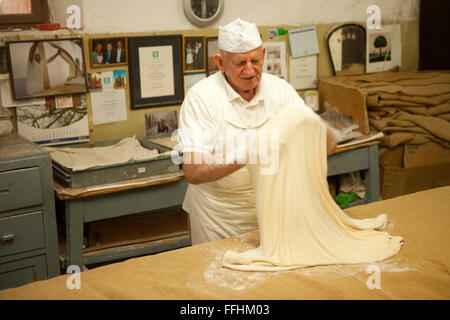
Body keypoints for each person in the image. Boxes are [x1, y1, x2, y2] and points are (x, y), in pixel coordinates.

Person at [178, 18, 337, 245]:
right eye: (240, 62)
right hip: (219, 219)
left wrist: (324, 136)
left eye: (255, 60)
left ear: (263, 54)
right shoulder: (202, 98)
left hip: (274, 211)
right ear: (220, 63)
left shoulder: (280, 91)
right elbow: (193, 171)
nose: (250, 70)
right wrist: (252, 151)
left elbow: (314, 139)